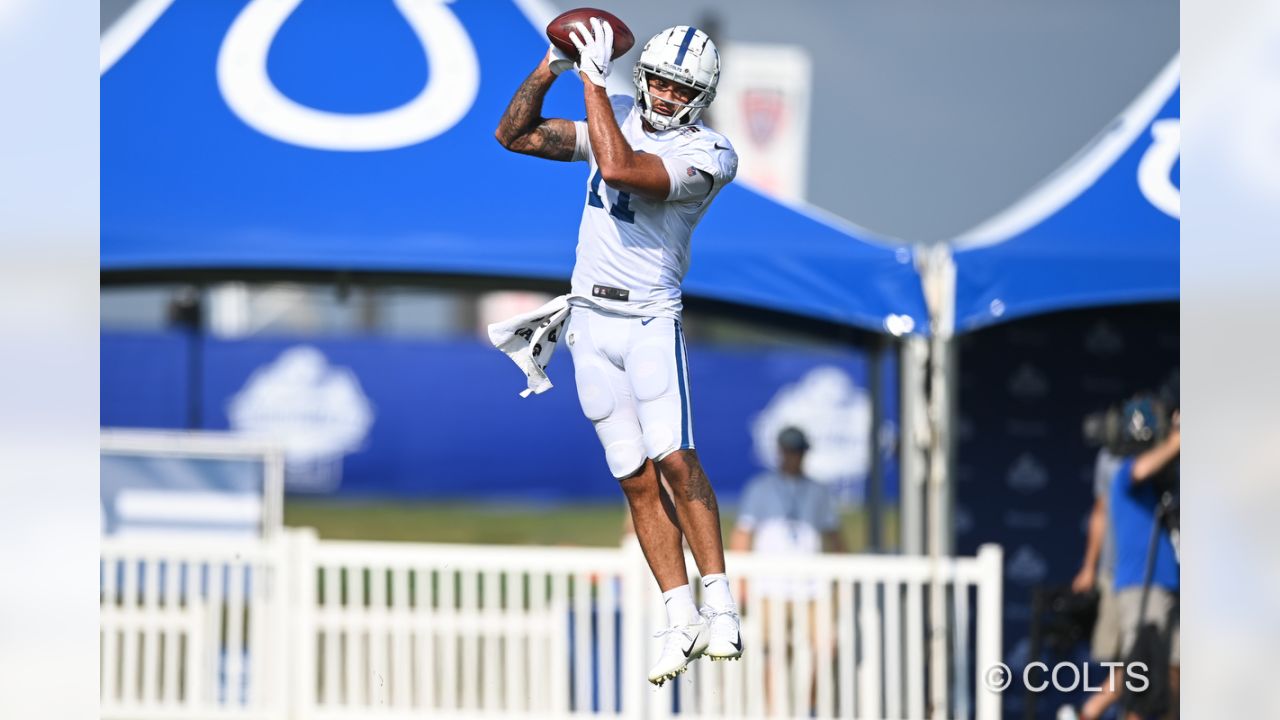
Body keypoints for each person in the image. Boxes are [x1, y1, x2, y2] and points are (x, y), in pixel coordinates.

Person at [494, 20, 741, 686]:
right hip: (589, 319)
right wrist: (553, 64)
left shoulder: (711, 152)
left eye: (678, 85)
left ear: (702, 94)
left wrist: (595, 82)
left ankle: (720, 602)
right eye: (657, 79)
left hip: (648, 319)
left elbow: (620, 168)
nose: (662, 94)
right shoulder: (617, 114)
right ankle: (678, 613)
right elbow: (512, 134)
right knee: (631, 472)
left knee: (674, 457)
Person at [730, 427, 842, 714]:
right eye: (790, 451)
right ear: (780, 452)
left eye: (799, 451)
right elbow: (742, 535)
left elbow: (835, 537)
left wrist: (842, 580)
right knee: (772, 652)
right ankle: (773, 711)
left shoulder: (819, 491)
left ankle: (810, 706)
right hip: (771, 586)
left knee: (826, 646)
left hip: (812, 587)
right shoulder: (761, 488)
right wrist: (739, 582)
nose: (794, 457)